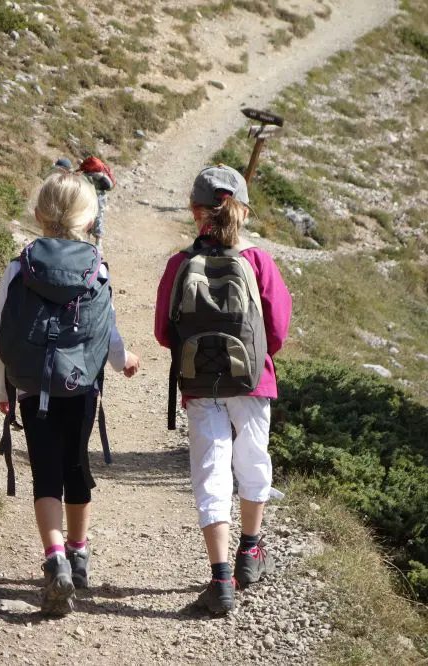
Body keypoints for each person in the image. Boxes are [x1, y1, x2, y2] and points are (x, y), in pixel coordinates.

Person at [0, 171, 140, 615]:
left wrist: (2, 387)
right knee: (77, 467)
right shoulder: (97, 267)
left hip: (32, 387)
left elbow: (0, 332)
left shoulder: (19, 267)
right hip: (81, 388)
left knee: (45, 473)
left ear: (38, 214)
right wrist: (123, 360)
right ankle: (78, 553)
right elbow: (106, 329)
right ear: (89, 218)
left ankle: (54, 557)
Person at [154, 165, 292, 616]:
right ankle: (250, 553)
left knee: (211, 471)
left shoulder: (180, 263)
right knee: (253, 460)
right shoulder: (258, 262)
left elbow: (162, 332)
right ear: (245, 211)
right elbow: (277, 331)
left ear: (195, 212)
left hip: (199, 383)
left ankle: (220, 582)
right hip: (253, 380)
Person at [78, 156, 116, 249]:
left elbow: (109, 185)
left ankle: (97, 241)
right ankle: (94, 240)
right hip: (96, 197)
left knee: (96, 218)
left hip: (96, 198)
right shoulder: (99, 174)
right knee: (94, 217)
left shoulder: (92, 174)